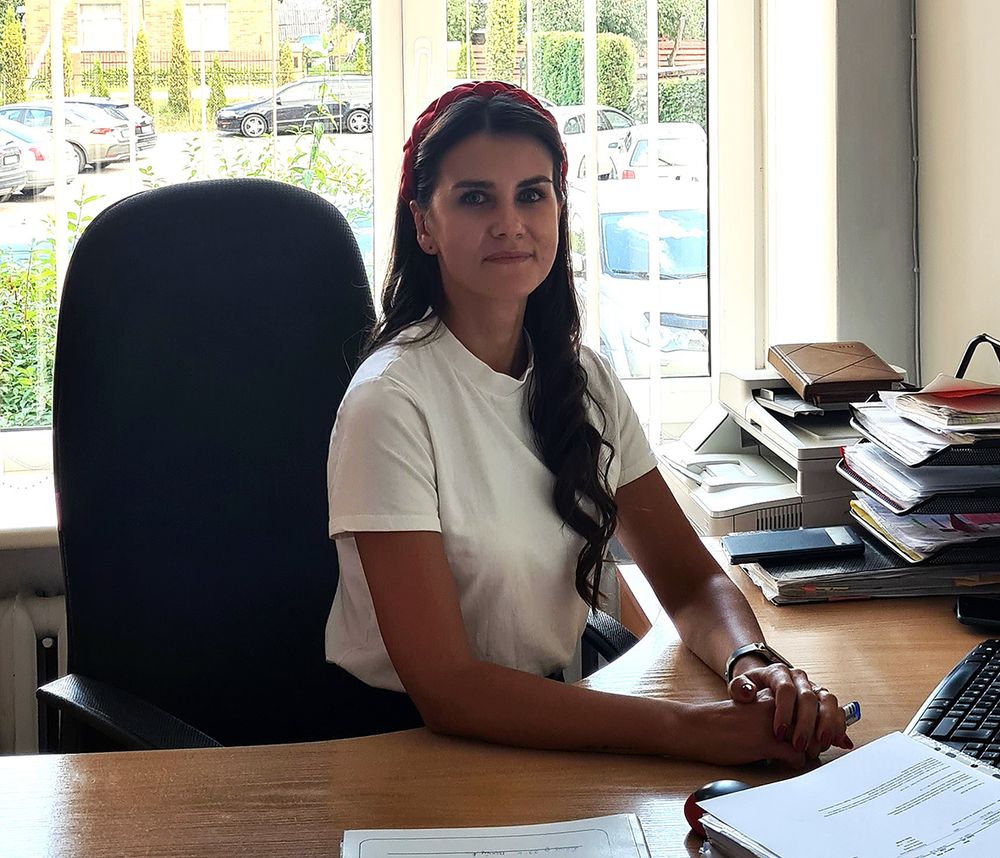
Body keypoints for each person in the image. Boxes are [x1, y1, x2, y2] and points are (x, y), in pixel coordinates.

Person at [324, 80, 850, 766]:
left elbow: (691, 582)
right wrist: (696, 730)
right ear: (424, 224)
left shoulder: (583, 378)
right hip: (410, 748)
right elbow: (449, 689)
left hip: (548, 727)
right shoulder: (389, 402)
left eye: (532, 194)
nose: (510, 222)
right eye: (476, 198)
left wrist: (753, 665)